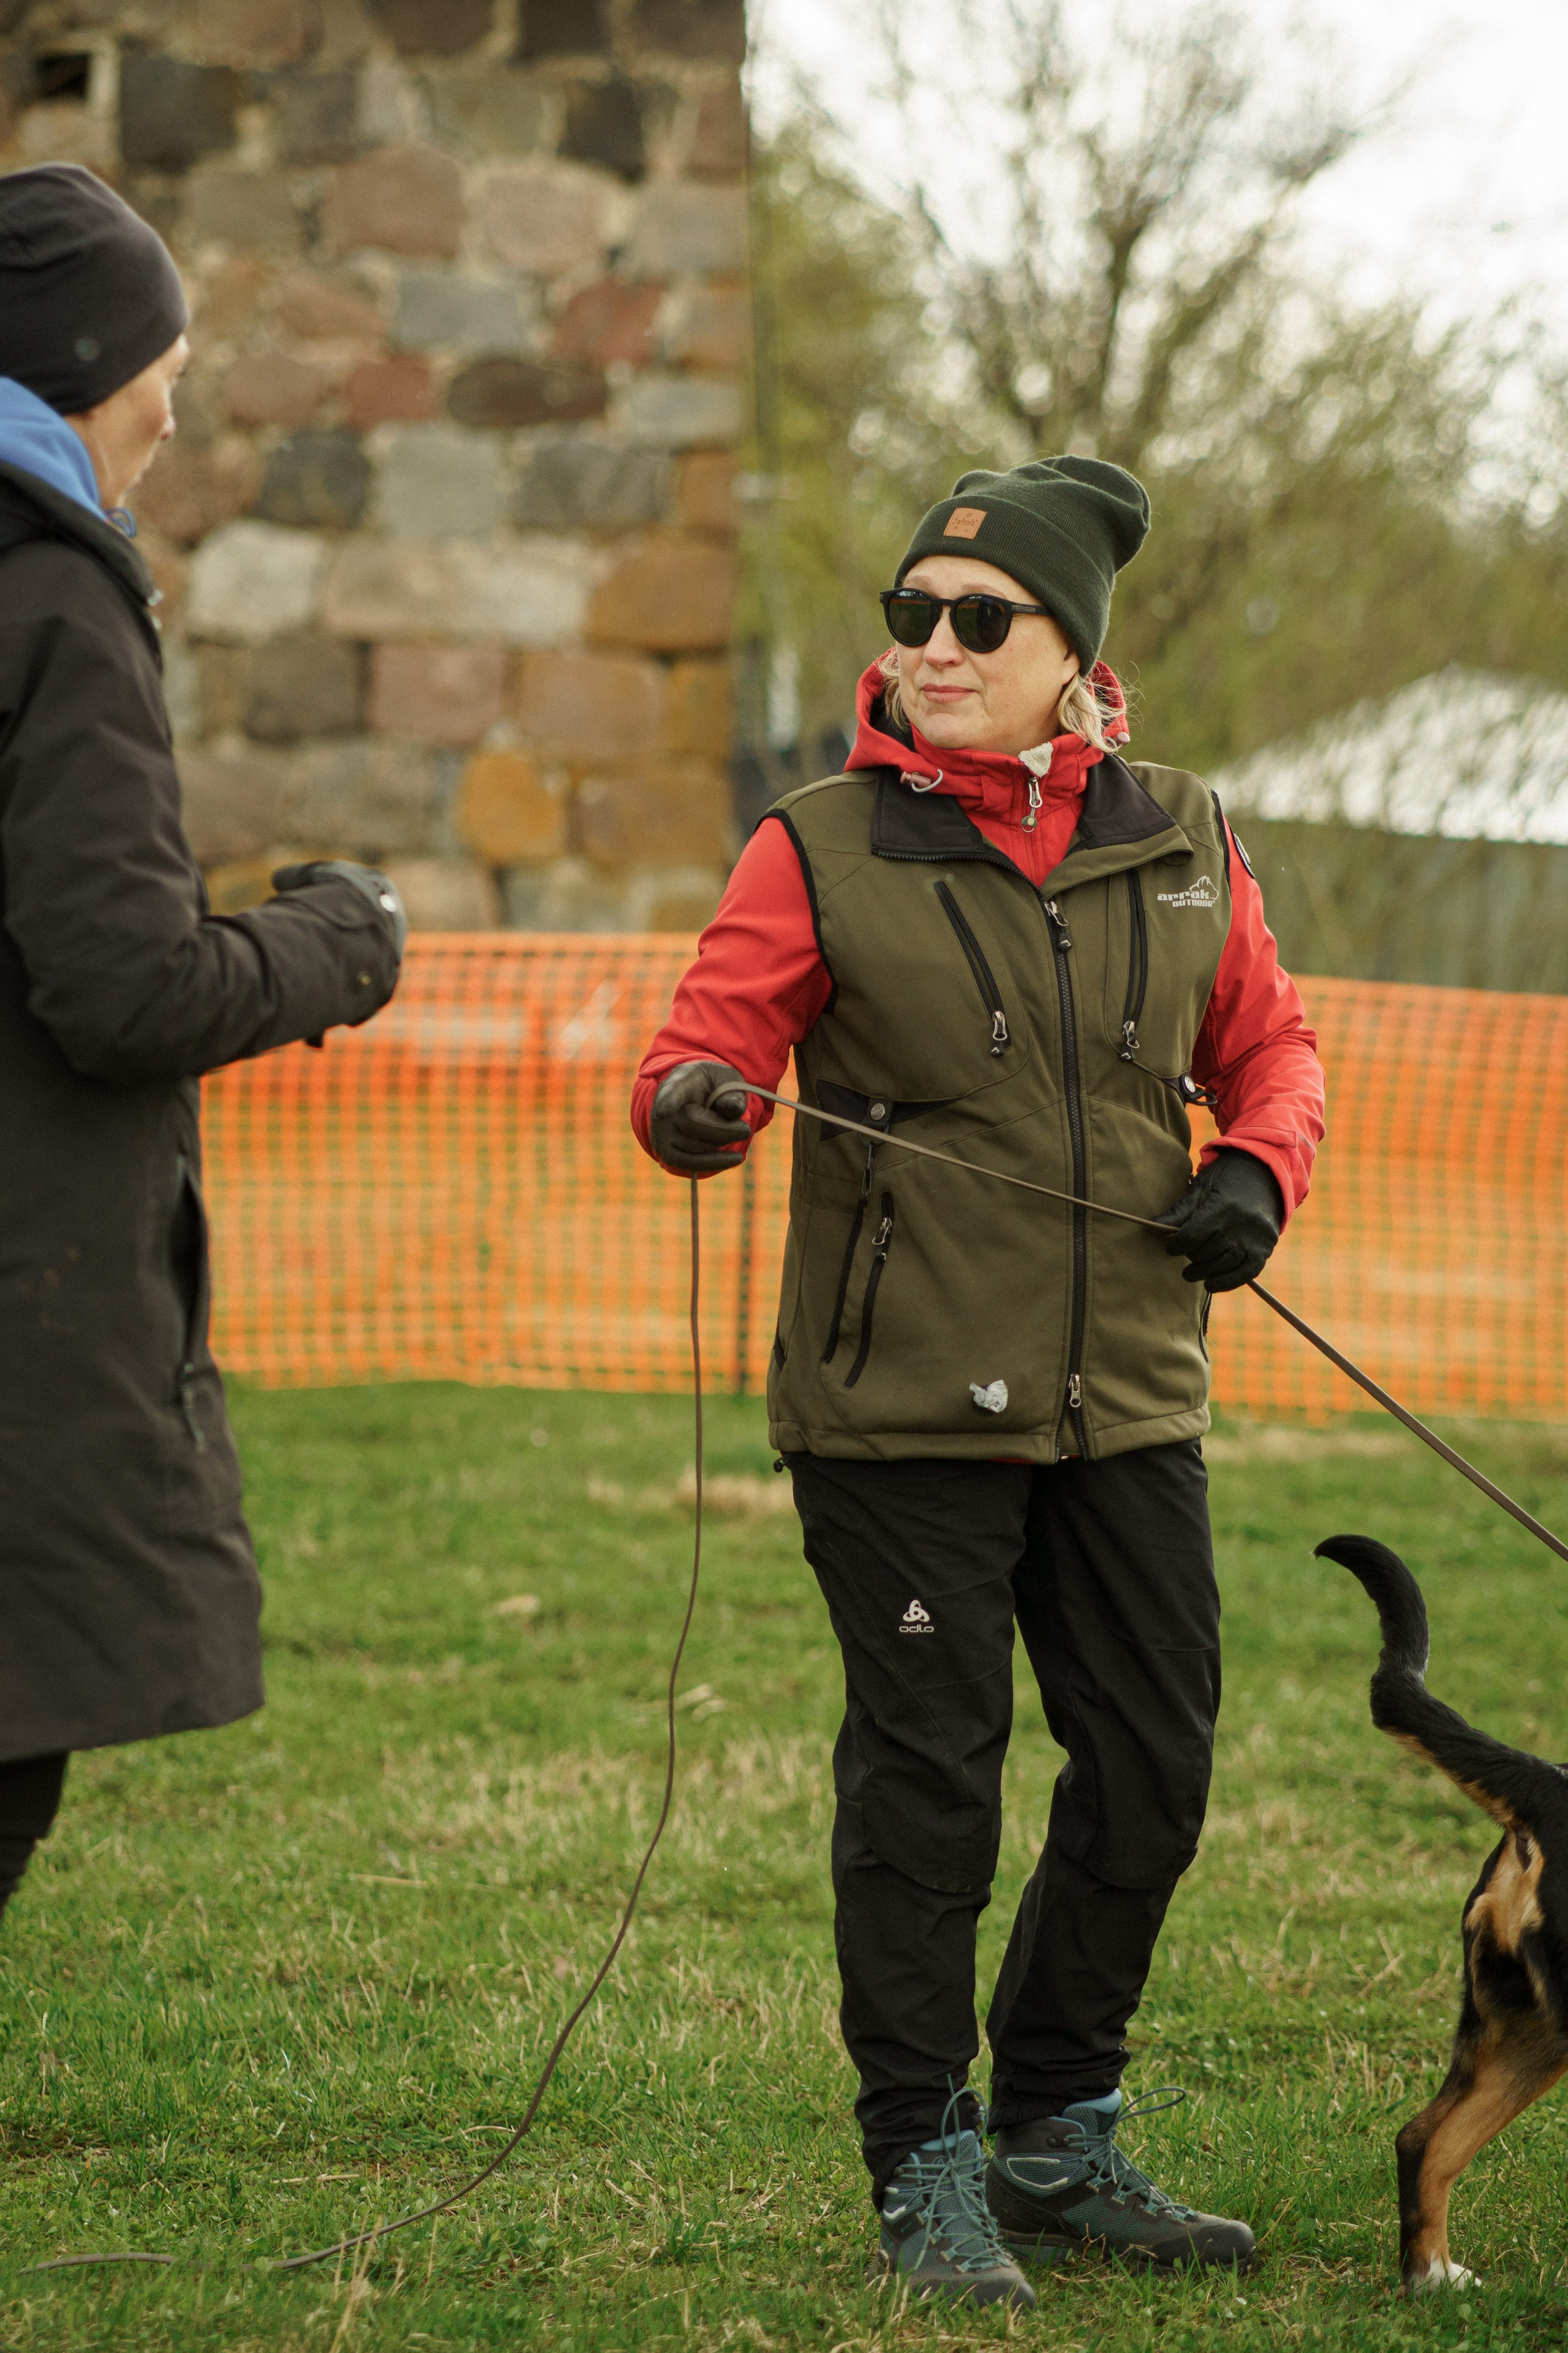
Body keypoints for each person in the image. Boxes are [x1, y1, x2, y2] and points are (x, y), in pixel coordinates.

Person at [632, 458, 1326, 2306]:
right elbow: (700, 1047)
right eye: (912, 615)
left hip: (1130, 1395)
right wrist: (691, 1109)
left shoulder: (1183, 829)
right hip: (900, 1405)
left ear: (1069, 655)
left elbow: (1274, 1046)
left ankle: (1057, 2131)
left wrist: (1259, 1171)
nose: (933, 646)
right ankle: (922, 2155)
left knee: (1157, 1761)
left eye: (979, 619)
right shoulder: (818, 841)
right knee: (933, 1785)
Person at [0, 165, 407, 1921]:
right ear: (87, 365)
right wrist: (342, 938)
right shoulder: (52, 594)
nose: (165, 425)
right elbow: (124, 990)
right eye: (158, 382)